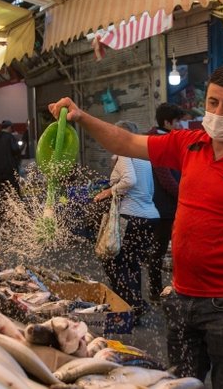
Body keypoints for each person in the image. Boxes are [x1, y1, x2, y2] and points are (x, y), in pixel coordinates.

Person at [49, 64, 223, 389]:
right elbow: (124, 141)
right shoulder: (188, 144)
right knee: (179, 384)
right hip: (181, 297)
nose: (218, 112)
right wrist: (81, 116)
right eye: (213, 102)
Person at [93, 120, 159, 321]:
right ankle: (135, 305)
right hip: (149, 216)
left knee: (113, 261)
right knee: (132, 264)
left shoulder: (124, 152)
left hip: (129, 216)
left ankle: (126, 308)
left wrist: (107, 192)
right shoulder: (143, 156)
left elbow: (129, 180)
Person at [146, 103, 184, 302]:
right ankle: (155, 291)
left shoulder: (168, 138)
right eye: (177, 121)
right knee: (159, 250)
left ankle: (174, 289)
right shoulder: (158, 141)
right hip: (163, 207)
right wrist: (186, 194)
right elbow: (166, 178)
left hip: (170, 205)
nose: (181, 124)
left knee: (170, 249)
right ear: (167, 122)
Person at [0, 120, 21, 192]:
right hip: (10, 169)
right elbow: (16, 150)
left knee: (2, 189)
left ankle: (3, 202)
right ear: (9, 127)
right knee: (12, 189)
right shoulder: (10, 137)